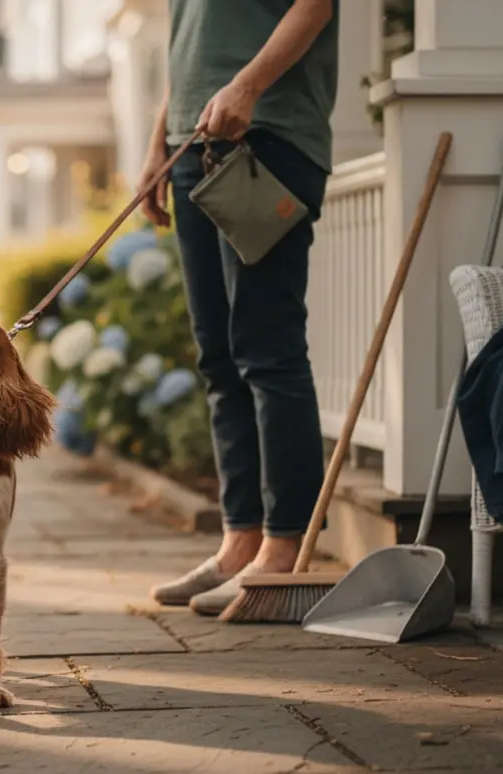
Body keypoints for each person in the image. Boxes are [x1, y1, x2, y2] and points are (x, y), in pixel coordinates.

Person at [142, 0, 338, 616]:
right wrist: (158, 142)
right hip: (191, 144)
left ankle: (284, 548)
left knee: (267, 349)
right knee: (219, 357)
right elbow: (192, 43)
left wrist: (248, 86)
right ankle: (240, 542)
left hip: (266, 138)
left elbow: (317, 5)